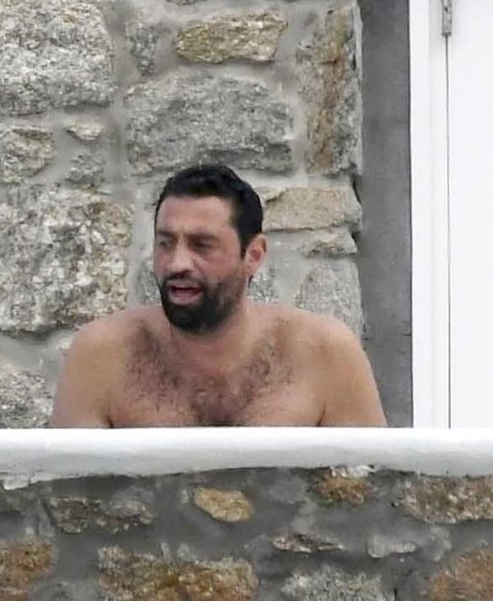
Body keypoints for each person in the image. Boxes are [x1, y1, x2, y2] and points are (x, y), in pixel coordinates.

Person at [51, 163, 385, 428]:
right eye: (165, 243)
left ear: (254, 255)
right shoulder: (103, 355)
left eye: (202, 245)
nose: (177, 263)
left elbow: (368, 486)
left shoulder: (325, 353)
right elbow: (67, 489)